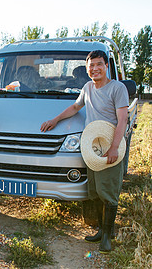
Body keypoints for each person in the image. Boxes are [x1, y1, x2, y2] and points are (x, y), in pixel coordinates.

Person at [40, 50, 129, 253]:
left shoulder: (117, 88)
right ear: (87, 68)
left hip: (110, 143)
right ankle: (100, 230)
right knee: (96, 192)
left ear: (106, 66)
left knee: (109, 193)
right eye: (91, 66)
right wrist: (55, 120)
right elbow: (75, 107)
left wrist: (114, 147)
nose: (95, 69)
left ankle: (108, 236)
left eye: (99, 64)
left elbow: (122, 119)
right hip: (92, 145)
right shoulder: (88, 87)